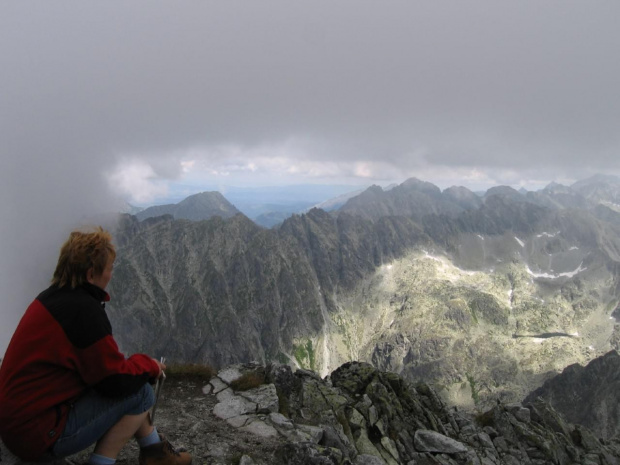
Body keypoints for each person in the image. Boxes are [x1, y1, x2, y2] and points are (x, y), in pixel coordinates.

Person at [0, 227, 191, 465]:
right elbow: (114, 382)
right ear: (91, 274)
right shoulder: (82, 312)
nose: (111, 274)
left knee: (133, 379)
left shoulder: (52, 298)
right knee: (140, 391)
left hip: (19, 425)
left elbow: (96, 368)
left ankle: (155, 452)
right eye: (109, 268)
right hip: (38, 435)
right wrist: (150, 367)